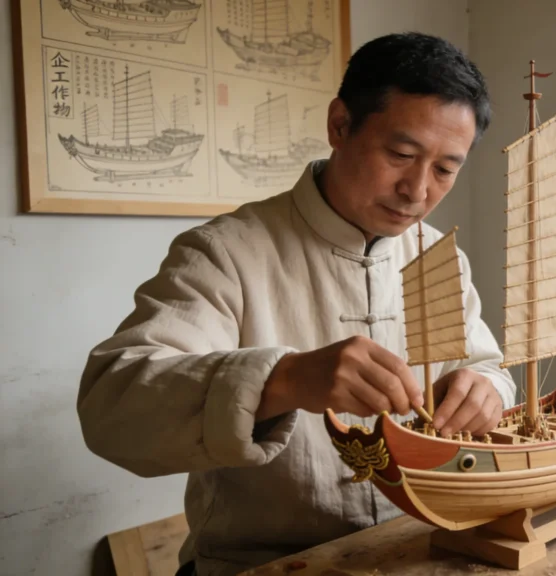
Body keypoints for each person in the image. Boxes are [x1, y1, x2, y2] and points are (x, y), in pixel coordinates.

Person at [77, 32, 516, 576]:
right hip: (262, 564)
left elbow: (483, 363)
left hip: (414, 552)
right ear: (339, 125)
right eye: (401, 155)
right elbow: (111, 407)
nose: (418, 191)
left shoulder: (438, 255)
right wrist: (281, 380)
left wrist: (487, 390)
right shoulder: (225, 252)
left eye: (446, 169)